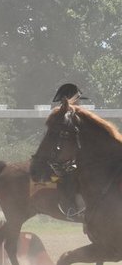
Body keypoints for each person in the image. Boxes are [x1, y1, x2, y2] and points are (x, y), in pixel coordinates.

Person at [51, 82, 87, 220]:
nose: (79, 103)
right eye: (77, 100)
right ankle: (74, 209)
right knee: (73, 178)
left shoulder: (72, 115)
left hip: (70, 157)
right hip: (60, 159)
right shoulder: (62, 117)